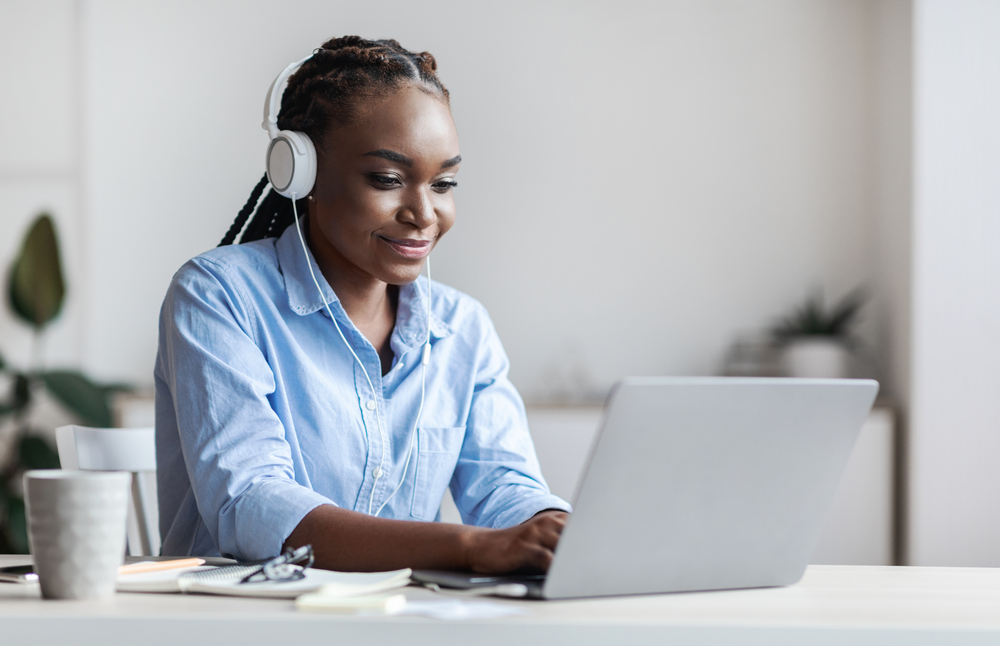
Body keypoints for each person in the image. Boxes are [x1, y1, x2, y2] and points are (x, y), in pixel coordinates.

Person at [154, 36, 570, 573]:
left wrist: (558, 530)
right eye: (388, 180)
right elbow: (253, 505)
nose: (424, 213)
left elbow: (505, 488)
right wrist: (467, 547)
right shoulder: (218, 296)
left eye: (443, 183)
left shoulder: (462, 327)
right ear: (301, 174)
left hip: (393, 622)